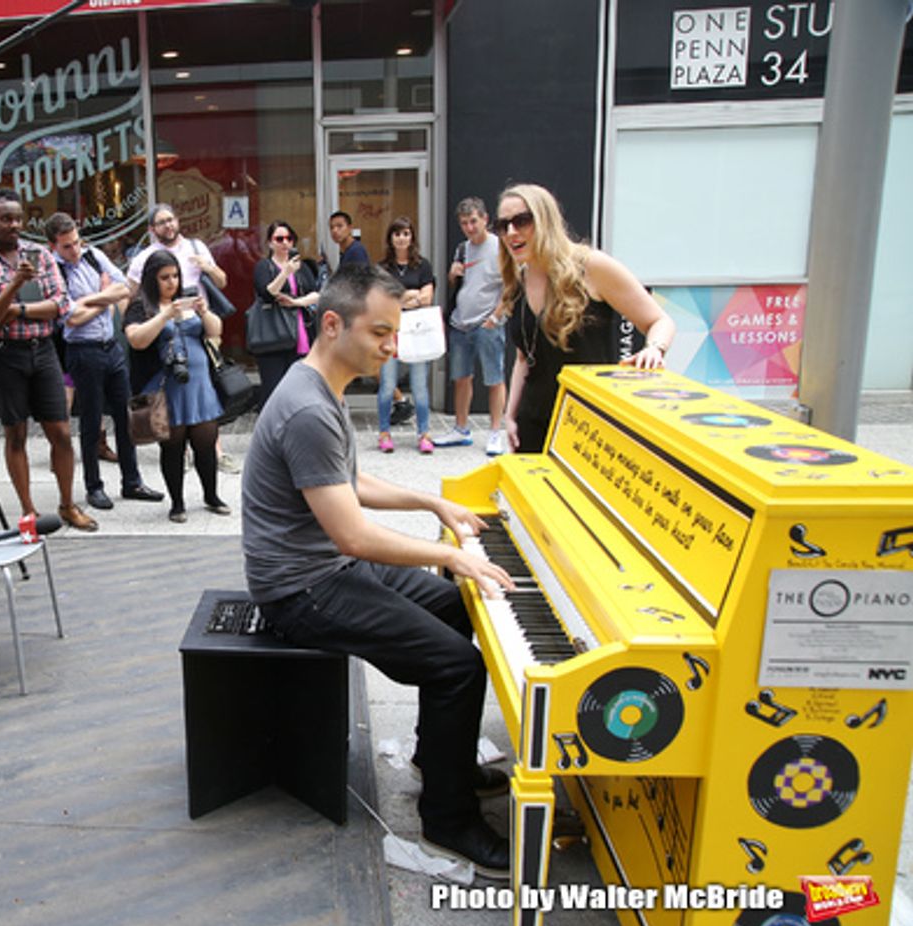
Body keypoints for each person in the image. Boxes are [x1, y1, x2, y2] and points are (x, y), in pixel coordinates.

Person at [241, 262, 515, 879]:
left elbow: (350, 482)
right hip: (300, 590)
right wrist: (449, 554)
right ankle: (447, 820)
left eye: (396, 332)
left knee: (456, 608)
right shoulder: (307, 408)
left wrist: (432, 503)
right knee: (458, 665)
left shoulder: (321, 385)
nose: (393, 347)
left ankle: (438, 760)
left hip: (328, 566)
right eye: (380, 332)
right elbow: (353, 535)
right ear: (332, 325)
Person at [0, 188, 97, 530]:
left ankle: (67, 505)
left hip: (43, 350)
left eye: (18, 218)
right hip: (4, 355)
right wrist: (16, 283)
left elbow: (60, 305)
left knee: (61, 431)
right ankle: (29, 512)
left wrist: (16, 309)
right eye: (6, 219)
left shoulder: (39, 254)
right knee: (15, 433)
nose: (14, 225)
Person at [497, 183, 676, 453]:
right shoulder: (518, 280)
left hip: (587, 423)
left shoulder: (591, 267)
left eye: (522, 221)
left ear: (545, 219)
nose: (511, 232)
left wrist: (655, 349)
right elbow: (524, 359)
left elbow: (660, 321)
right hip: (532, 423)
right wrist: (510, 416)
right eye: (503, 225)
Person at [44, 211, 163, 511]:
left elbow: (124, 288)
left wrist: (88, 301)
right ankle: (93, 486)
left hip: (111, 347)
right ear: (53, 246)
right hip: (82, 351)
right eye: (67, 246)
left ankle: (132, 481)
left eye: (76, 242)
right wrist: (103, 298)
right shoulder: (53, 271)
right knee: (91, 419)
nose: (75, 250)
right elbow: (71, 318)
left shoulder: (93, 256)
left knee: (125, 416)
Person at [123, 249, 229, 523]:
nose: (172, 282)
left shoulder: (187, 298)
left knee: (206, 444)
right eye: (165, 277)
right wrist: (165, 315)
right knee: (173, 447)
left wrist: (204, 311)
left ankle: (211, 496)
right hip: (166, 388)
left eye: (175, 276)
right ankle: (177, 503)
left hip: (200, 384)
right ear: (152, 279)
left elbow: (215, 330)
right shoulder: (141, 306)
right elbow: (136, 340)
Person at [435, 197, 508, 455]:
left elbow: (511, 287)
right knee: (461, 378)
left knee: (494, 378)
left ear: (485, 219)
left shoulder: (500, 248)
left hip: (486, 323)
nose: (469, 227)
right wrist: (452, 275)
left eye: (473, 221)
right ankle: (461, 428)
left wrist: (495, 318)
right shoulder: (462, 249)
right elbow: (459, 285)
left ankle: (495, 432)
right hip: (460, 323)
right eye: (464, 223)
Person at [376, 216, 436, 455]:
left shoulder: (423, 266)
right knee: (388, 384)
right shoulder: (383, 268)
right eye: (397, 234)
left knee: (419, 386)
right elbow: (381, 300)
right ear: (390, 238)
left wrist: (400, 298)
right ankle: (384, 432)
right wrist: (410, 295)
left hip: (417, 333)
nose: (401, 238)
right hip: (390, 333)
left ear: (412, 237)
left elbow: (427, 298)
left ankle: (424, 433)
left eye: (406, 233)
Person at [250, 220, 319, 407]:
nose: (285, 243)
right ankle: (270, 424)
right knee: (273, 389)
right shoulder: (264, 266)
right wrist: (285, 273)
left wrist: (296, 302)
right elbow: (267, 293)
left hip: (300, 331)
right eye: (279, 239)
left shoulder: (302, 267)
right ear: (270, 243)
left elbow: (316, 294)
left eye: (289, 238)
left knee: (299, 389)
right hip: (273, 334)